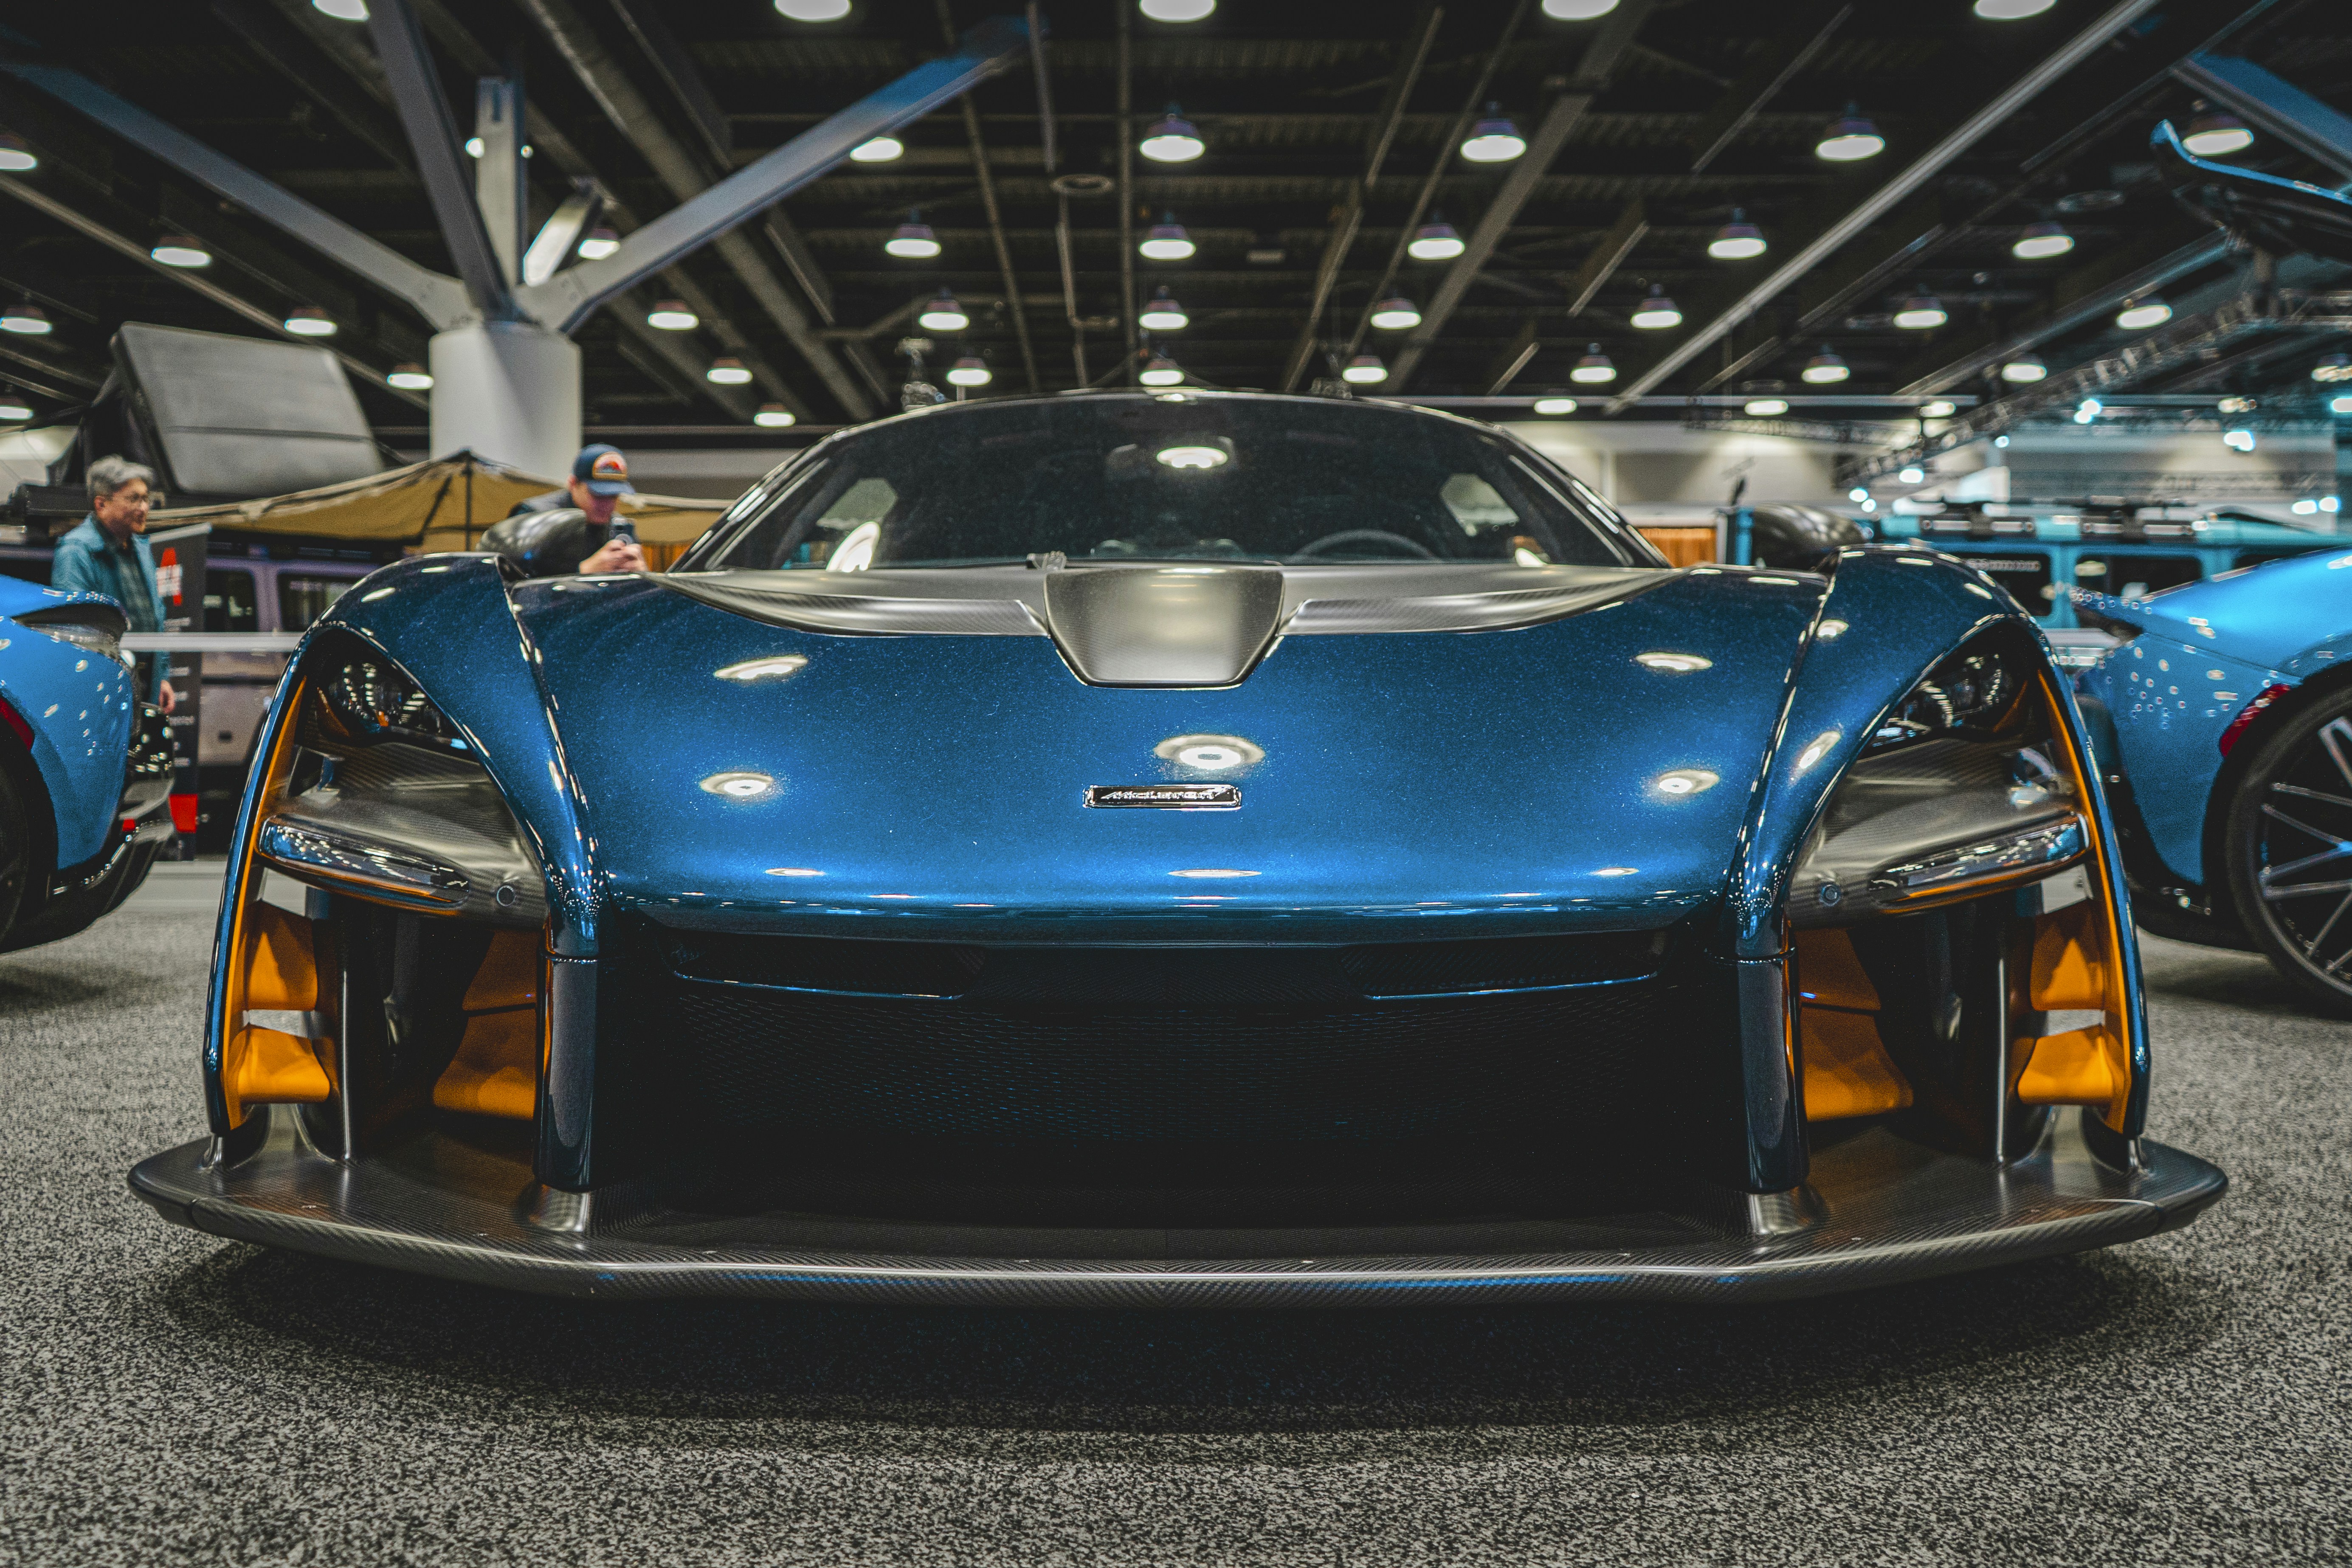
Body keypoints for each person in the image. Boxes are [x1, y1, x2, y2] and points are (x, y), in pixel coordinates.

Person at [51, 455, 175, 712]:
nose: (144, 508)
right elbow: (75, 634)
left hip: (145, 683)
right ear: (101, 504)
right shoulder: (76, 551)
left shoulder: (141, 548)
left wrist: (161, 677)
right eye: (134, 499)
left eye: (146, 498)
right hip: (103, 689)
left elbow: (157, 619)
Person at [478, 443, 647, 577]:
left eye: (613, 497)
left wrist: (642, 574)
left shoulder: (620, 527)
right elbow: (508, 582)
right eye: (598, 495)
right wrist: (584, 571)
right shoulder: (533, 516)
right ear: (573, 484)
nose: (606, 505)